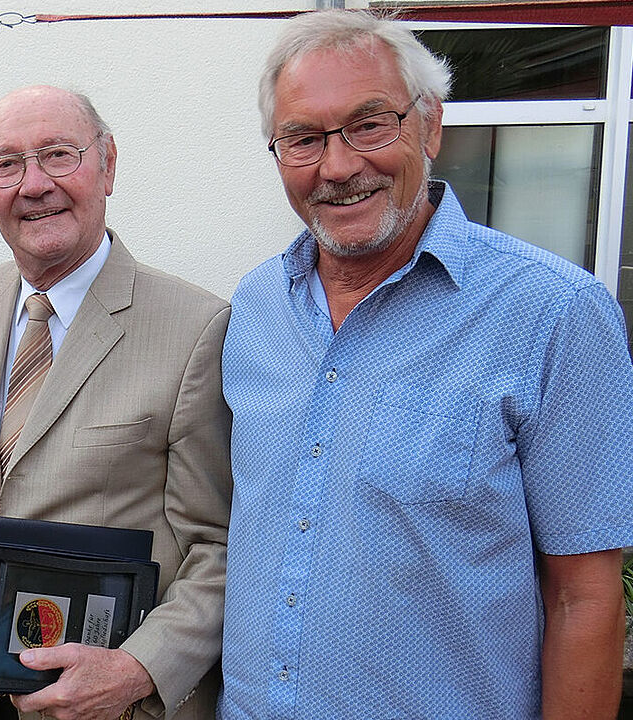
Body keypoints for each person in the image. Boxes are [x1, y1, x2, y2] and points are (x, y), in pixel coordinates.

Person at [219, 10, 633, 720]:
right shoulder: (255, 307)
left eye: (370, 123)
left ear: (431, 126)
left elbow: (584, 597)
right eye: (304, 138)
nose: (339, 166)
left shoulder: (556, 312)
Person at [0, 85, 232, 720]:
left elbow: (219, 547)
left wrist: (138, 671)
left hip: (115, 705)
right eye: (6, 164)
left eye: (58, 154)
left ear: (108, 165)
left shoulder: (196, 328)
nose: (34, 184)